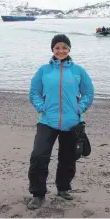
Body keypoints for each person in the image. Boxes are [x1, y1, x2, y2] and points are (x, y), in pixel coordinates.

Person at [27, 34, 94, 210]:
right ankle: (38, 193)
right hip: (47, 120)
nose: (61, 50)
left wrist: (79, 109)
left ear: (69, 49)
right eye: (57, 47)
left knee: (68, 158)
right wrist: (42, 107)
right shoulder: (44, 70)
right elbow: (34, 91)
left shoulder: (78, 71)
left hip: (72, 122)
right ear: (52, 50)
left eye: (64, 47)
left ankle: (63, 188)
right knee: (38, 156)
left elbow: (89, 92)